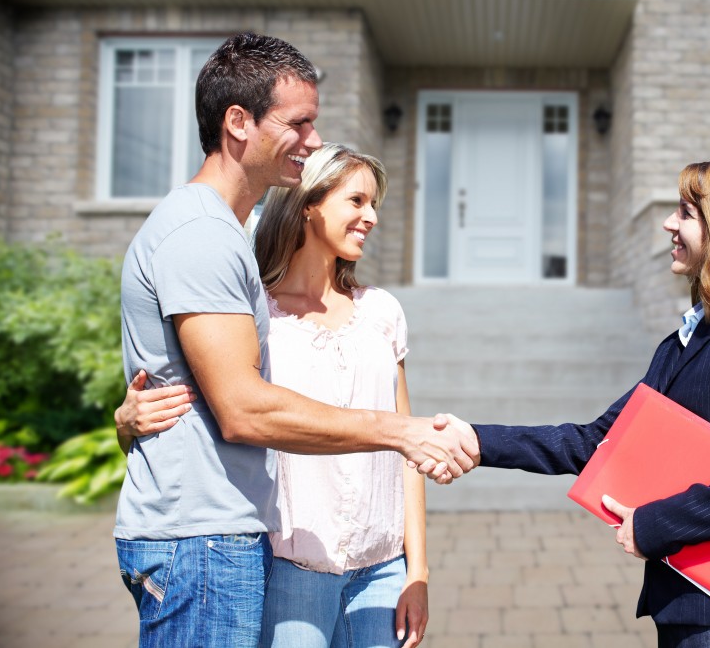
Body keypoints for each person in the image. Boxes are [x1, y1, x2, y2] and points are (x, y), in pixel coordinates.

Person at [115, 32, 475, 647]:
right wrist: (399, 431)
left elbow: (189, 380)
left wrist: (126, 419)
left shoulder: (225, 236)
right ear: (238, 122)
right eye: (300, 123)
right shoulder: (201, 234)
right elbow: (242, 407)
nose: (311, 142)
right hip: (206, 541)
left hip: (233, 536)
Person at [460, 157, 710, 646]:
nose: (669, 223)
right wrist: (475, 441)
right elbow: (596, 442)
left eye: (686, 213)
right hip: (686, 613)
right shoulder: (681, 344)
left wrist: (659, 522)